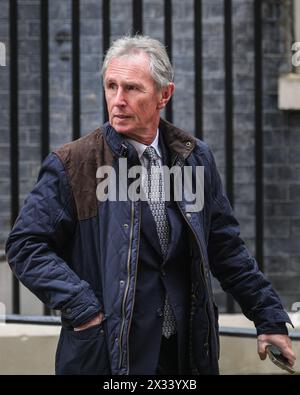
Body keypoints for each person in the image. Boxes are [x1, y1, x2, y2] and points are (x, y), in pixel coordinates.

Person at [6, 35, 296, 375]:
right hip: (110, 352)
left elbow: (226, 248)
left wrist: (269, 316)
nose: (118, 100)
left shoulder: (192, 158)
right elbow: (25, 245)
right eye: (111, 86)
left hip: (185, 353)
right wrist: (82, 307)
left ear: (164, 94)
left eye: (131, 88)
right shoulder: (75, 164)